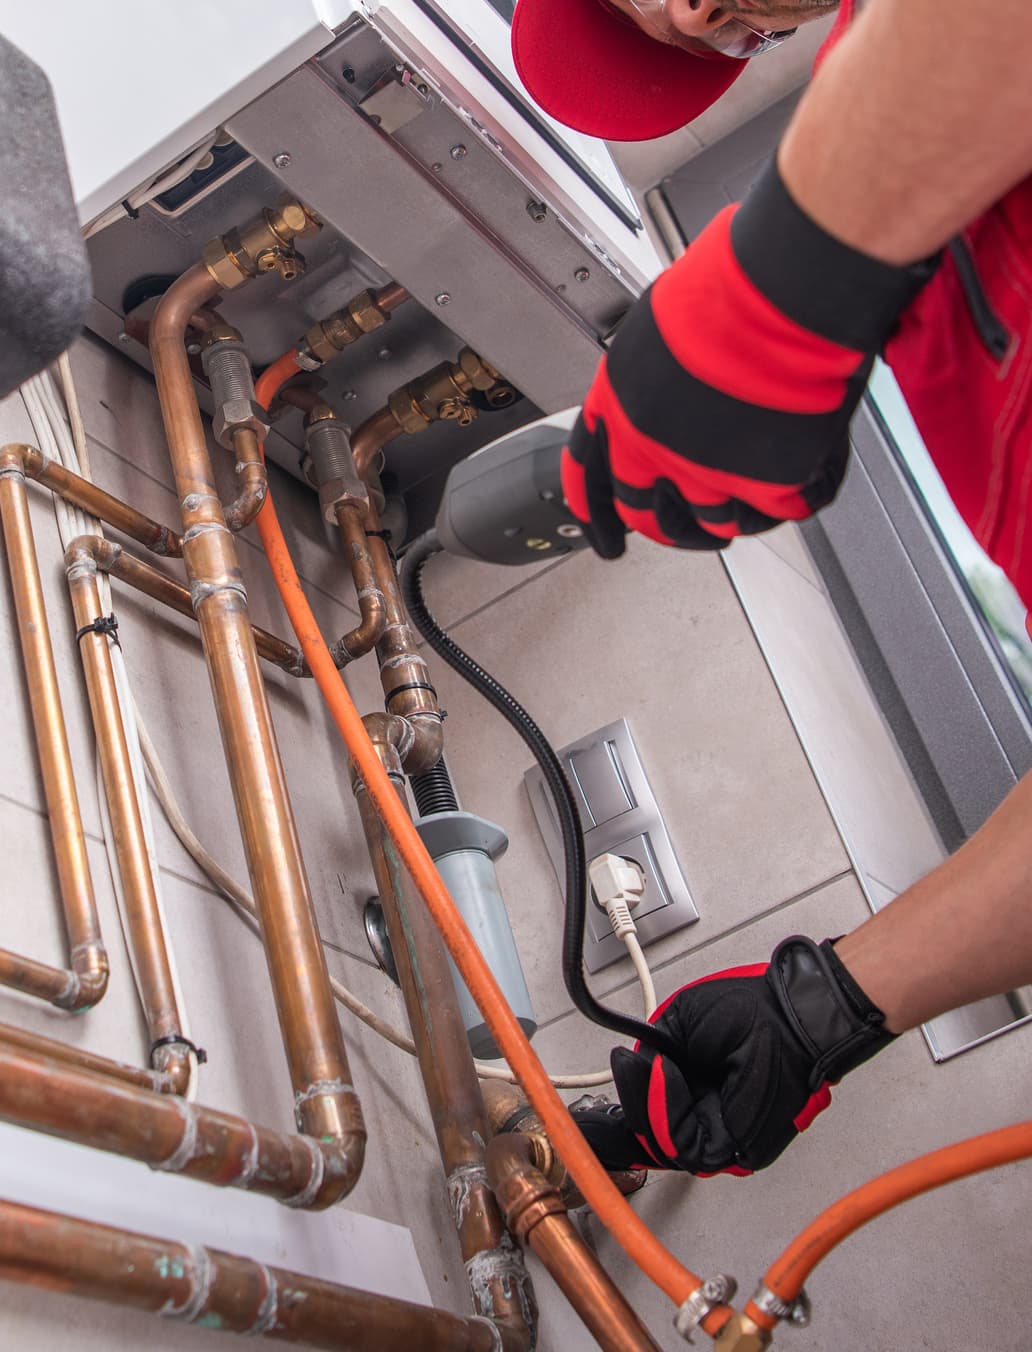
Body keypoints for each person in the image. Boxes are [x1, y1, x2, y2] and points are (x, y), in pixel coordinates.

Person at [509, 0, 1032, 1176]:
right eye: (706, 39)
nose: (695, 15)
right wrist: (827, 1006)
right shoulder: (936, 301)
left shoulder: (890, 155)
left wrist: (786, 279)